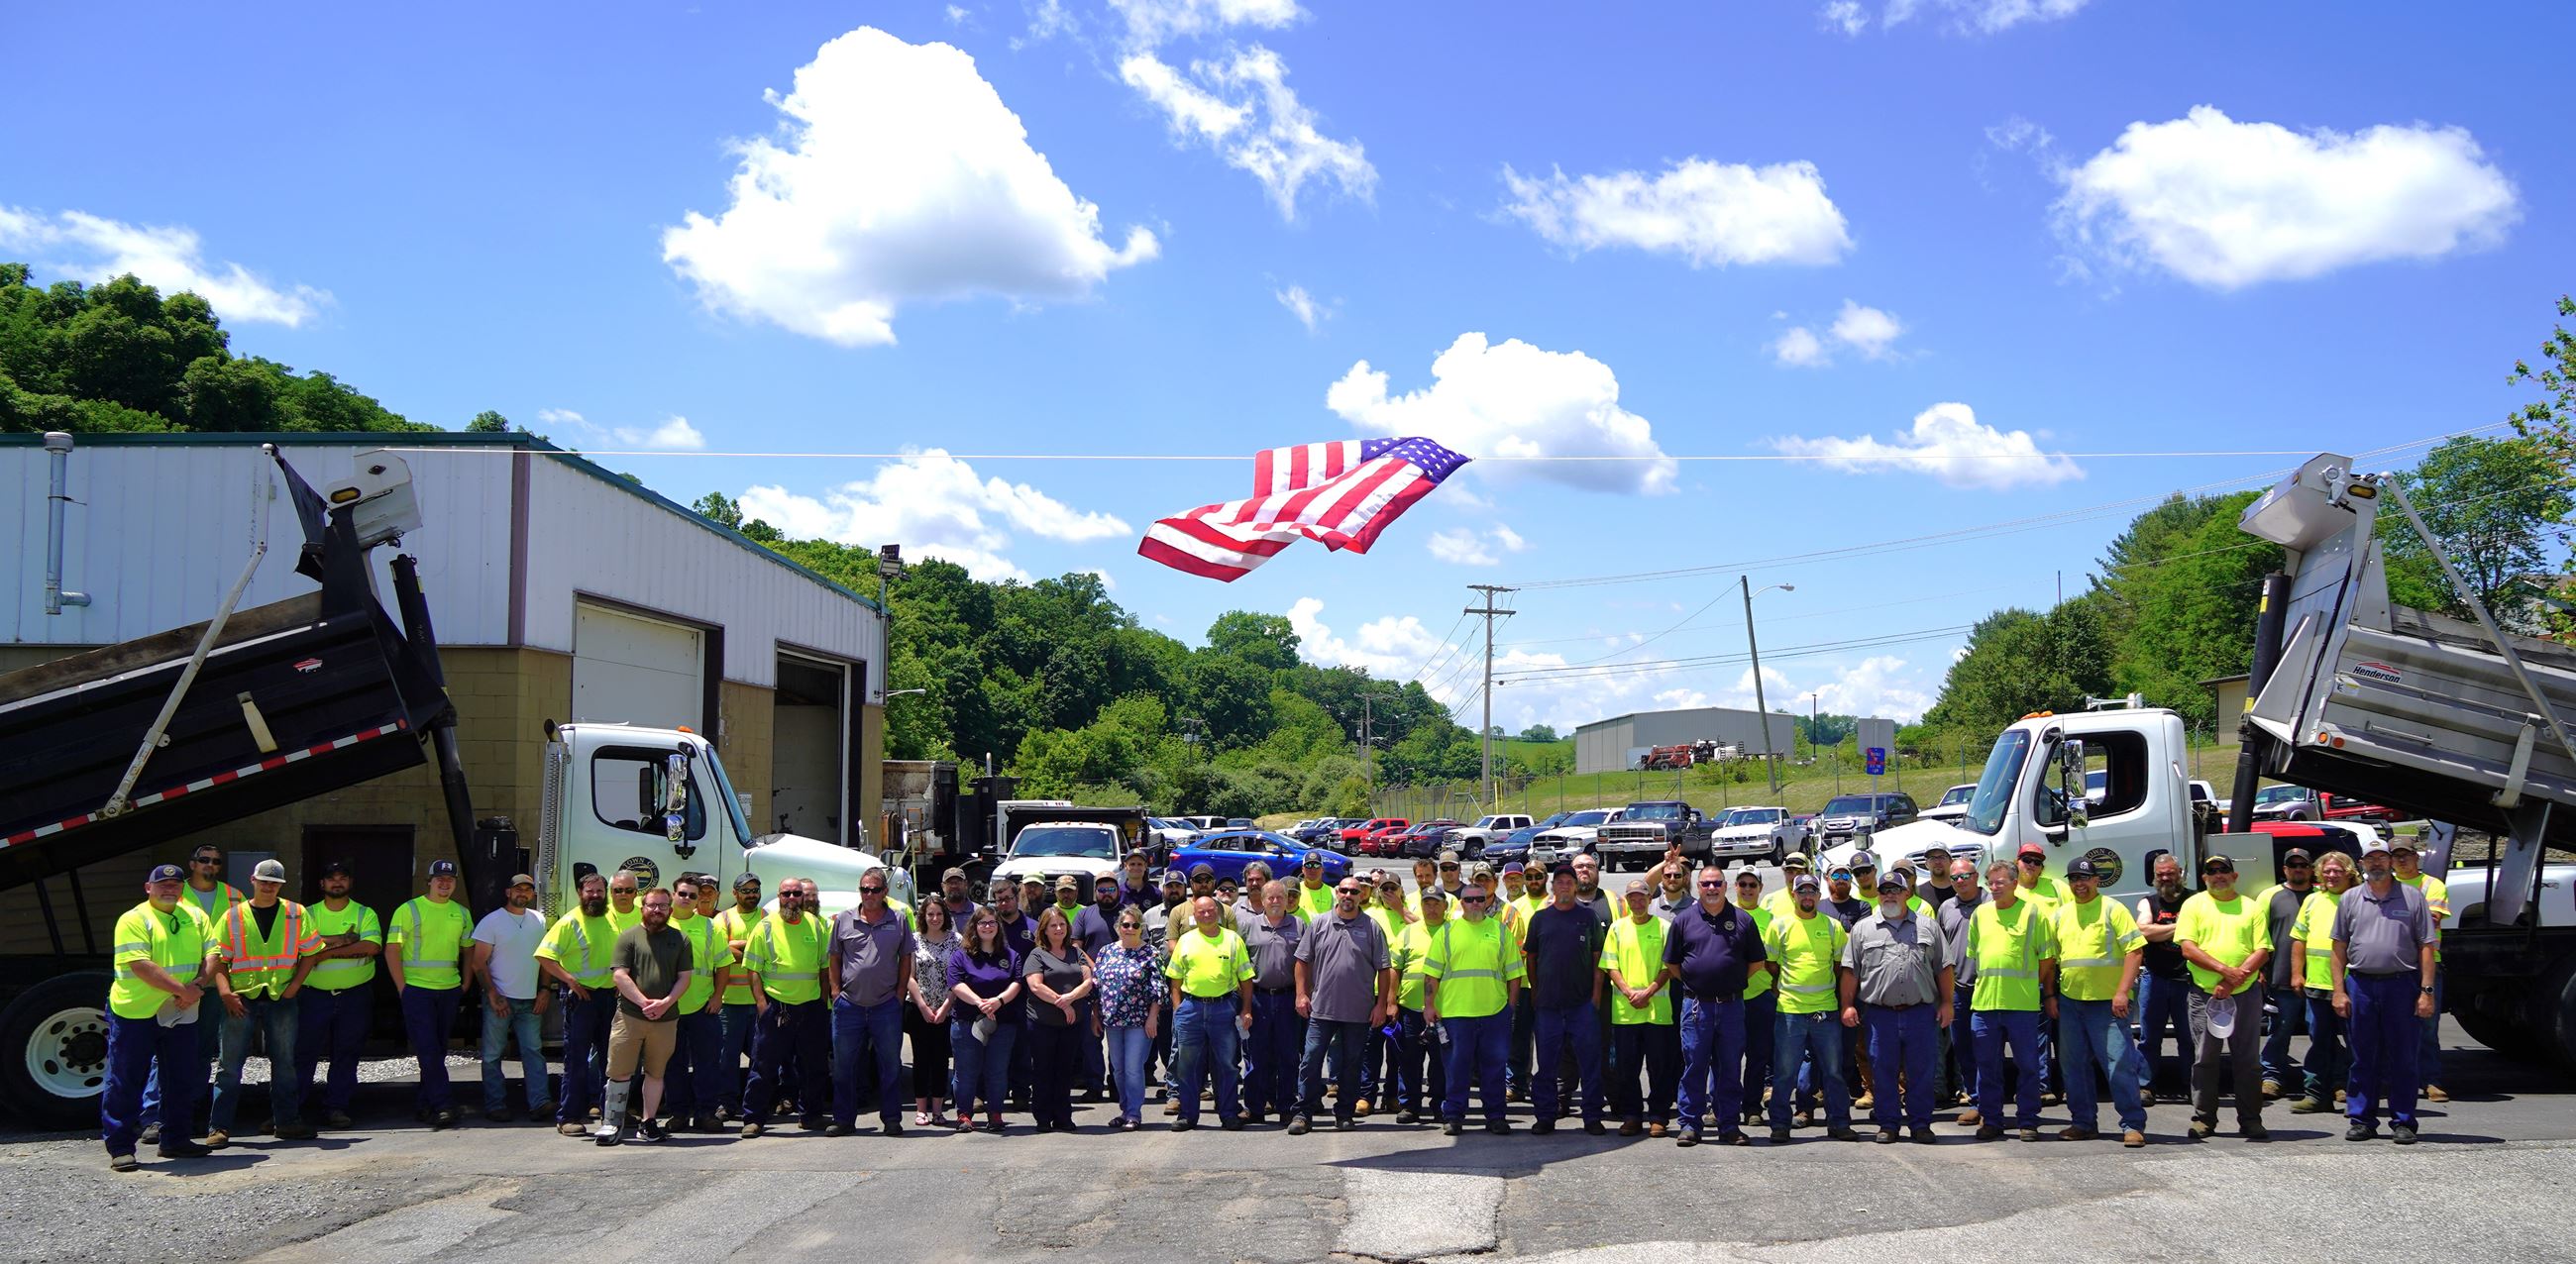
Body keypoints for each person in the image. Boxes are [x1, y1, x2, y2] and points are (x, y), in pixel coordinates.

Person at [102, 864, 219, 1171]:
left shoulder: (195, 915)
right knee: (126, 1080)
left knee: (180, 1078)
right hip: (135, 1012)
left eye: (175, 884)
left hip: (181, 1011)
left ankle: (176, 1140)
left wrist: (197, 986)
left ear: (182, 888)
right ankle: (120, 1147)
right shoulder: (134, 918)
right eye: (162, 883)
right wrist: (185, 990)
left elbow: (213, 954)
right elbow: (140, 965)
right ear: (148, 887)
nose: (169, 888)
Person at [2331, 837, 2439, 1144]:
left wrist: (2426, 991)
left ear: (2391, 862)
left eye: (2382, 857)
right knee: (2363, 1056)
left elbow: (2427, 947)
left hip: (2401, 986)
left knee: (2403, 1056)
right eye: (2371, 858)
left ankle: (2403, 1120)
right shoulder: (2350, 898)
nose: (2376, 863)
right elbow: (2338, 947)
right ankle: (2362, 1119)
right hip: (2361, 984)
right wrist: (2339, 991)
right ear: (2362, 864)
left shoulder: (2413, 897)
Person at [203, 858, 313, 1146]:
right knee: (229, 1066)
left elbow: (312, 952)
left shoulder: (295, 913)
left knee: (285, 1063)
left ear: (280, 885)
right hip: (241, 999)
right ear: (252, 880)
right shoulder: (233, 916)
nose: (268, 886)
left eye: (274, 883)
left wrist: (295, 986)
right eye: (264, 881)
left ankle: (287, 1122)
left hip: (281, 998)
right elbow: (219, 959)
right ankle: (219, 1128)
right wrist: (225, 993)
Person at [138, 844, 239, 1146]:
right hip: (174, 987)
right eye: (204, 860)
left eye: (216, 861)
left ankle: (185, 1111)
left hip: (211, 985)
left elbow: (230, 942)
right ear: (192, 864)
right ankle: (154, 1117)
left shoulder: (235, 896)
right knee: (163, 1053)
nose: (210, 865)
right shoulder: (173, 893)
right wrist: (183, 989)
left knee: (201, 1052)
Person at [1841, 870, 1951, 1144]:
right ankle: (1888, 1124)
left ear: (1907, 894)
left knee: (1921, 1071)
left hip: (1920, 1012)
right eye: (1884, 890)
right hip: (1880, 1015)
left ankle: (1921, 1123)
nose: (1889, 894)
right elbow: (1850, 971)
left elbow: (1944, 968)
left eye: (1895, 890)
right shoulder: (1863, 929)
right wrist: (1847, 1005)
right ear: (1877, 895)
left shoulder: (1928, 927)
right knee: (1883, 1071)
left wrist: (1948, 1003)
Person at [2049, 858, 2148, 1147]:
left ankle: (2132, 1124)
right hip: (2070, 1002)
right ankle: (2083, 1123)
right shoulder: (2060, 915)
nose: (2079, 884)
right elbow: (2053, 961)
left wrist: (2122, 992)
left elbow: (2135, 951)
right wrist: (2051, 996)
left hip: (2107, 1004)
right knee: (2073, 1066)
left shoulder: (2112, 909)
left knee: (2119, 1066)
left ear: (2096, 880)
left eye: (2085, 878)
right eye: (2074, 878)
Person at [1666, 862, 1767, 1147]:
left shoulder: (1743, 920)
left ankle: (1729, 1125)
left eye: (1717, 883)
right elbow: (1672, 964)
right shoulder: (1683, 920)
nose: (1711, 888)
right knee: (1694, 1065)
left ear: (1725, 886)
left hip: (1732, 1007)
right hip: (1697, 1006)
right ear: (1697, 887)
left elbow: (1756, 962)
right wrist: (1698, 984)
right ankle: (1689, 1124)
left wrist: (1730, 984)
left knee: (1730, 1067)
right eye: (1706, 884)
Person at [2176, 855, 2271, 1141]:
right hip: (2204, 995)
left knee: (2248, 1061)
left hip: (2246, 994)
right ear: (2204, 878)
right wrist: (2225, 972)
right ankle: (2204, 1119)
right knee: (2205, 1060)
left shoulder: (2251, 907)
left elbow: (2263, 950)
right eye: (2211, 871)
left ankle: (2251, 1120)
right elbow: (2188, 949)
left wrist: (2232, 980)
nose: (2218, 875)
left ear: (2235, 875)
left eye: (2224, 871)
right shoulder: (2193, 904)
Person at [1291, 874, 1394, 1133]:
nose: (1348, 896)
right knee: (1311, 1060)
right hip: (1322, 1008)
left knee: (1352, 1063)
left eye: (1354, 892)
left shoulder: (1371, 928)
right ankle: (1303, 1113)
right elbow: (1302, 961)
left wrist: (1381, 1004)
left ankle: (1345, 1113)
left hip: (1358, 1012)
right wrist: (1301, 994)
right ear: (1337, 893)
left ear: (1362, 896)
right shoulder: (1320, 924)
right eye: (1344, 891)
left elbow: (1384, 969)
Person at [1965, 861, 2055, 1142]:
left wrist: (2028, 985)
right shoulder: (1980, 914)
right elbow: (1975, 956)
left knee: (2028, 1066)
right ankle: (1991, 1120)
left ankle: (2028, 1121)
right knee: (1987, 1067)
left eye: (2000, 882)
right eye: (1990, 882)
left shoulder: (2032, 914)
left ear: (2015, 883)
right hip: (1985, 1005)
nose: (1994, 887)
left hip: (2022, 1006)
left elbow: (2047, 959)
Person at [1426, 881, 1524, 1136]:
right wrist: (1429, 1006)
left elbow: (1514, 975)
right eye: (1469, 900)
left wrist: (1509, 1009)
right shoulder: (1447, 932)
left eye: (1480, 899)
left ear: (1486, 902)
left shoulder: (1501, 932)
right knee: (1457, 1069)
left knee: (1494, 1068)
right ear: (1461, 903)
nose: (1475, 904)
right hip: (1456, 1014)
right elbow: (1431, 975)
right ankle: (1454, 1116)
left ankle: (1496, 1116)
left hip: (1493, 1014)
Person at [597, 888, 694, 1144]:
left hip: (666, 1018)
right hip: (630, 1015)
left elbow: (685, 977)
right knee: (619, 1071)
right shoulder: (628, 937)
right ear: (643, 908)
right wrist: (643, 1003)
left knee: (656, 1072)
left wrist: (666, 1002)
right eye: (652, 905)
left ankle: (648, 1123)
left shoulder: (681, 940)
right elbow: (619, 974)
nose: (657, 910)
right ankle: (611, 1124)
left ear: (670, 910)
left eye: (663, 906)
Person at [291, 861, 381, 1130]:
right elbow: (298, 947)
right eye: (331, 878)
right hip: (313, 996)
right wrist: (343, 939)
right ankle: (290, 1110)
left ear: (350, 882)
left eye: (343, 878)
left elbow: (371, 946)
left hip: (354, 996)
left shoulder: (365, 913)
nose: (337, 882)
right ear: (322, 884)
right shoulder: (307, 914)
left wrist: (324, 951)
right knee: (303, 1053)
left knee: (346, 1052)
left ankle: (336, 1107)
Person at [1766, 873, 1855, 1143]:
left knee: (1834, 1072)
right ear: (1793, 894)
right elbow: (1771, 963)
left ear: (1819, 895)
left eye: (1812, 891)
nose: (1807, 896)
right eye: (1801, 891)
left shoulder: (1832, 926)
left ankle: (1839, 1123)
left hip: (1825, 1010)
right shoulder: (1779, 926)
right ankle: (1780, 1124)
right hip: (1790, 1011)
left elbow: (1840, 966)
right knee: (1784, 1072)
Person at [740, 878, 832, 1137]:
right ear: (779, 896)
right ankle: (753, 1118)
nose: (791, 898)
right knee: (764, 1065)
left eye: (796, 893)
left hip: (810, 1007)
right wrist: (761, 1006)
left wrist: (822, 1002)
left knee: (814, 1066)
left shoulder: (815, 924)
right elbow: (753, 969)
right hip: (776, 1007)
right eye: (786, 893)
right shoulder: (765, 927)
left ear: (803, 897)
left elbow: (824, 968)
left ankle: (811, 1116)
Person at [1521, 864, 1608, 1135]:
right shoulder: (1540, 919)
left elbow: (1598, 959)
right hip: (1548, 1006)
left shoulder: (1589, 918)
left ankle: (1592, 1117)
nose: (1565, 886)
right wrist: (1535, 990)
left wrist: (1595, 996)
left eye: (1569, 881)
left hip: (1582, 1005)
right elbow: (1531, 958)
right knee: (1547, 1066)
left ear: (1574, 886)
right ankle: (1545, 1116)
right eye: (1560, 882)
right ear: (1553, 886)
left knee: (1590, 1064)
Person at [826, 869, 915, 1136]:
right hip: (849, 1005)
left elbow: (906, 959)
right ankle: (843, 1119)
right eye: (864, 889)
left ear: (885, 892)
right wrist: (834, 992)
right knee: (844, 1066)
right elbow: (834, 959)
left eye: (874, 890)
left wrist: (900, 994)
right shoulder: (843, 920)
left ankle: (891, 1118)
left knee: (889, 1065)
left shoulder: (898, 920)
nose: (869, 894)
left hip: (886, 1005)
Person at [387, 859, 473, 1129]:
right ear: (430, 882)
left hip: (448, 989)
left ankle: (425, 1103)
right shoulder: (408, 909)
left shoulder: (460, 912)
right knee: (427, 1050)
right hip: (418, 990)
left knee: (438, 1050)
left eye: (449, 880)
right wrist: (402, 987)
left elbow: (468, 948)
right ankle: (444, 1105)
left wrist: (466, 981)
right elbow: (392, 949)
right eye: (440, 879)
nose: (444, 883)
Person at [537, 871, 618, 1137]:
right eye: (589, 891)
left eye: (599, 891)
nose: (595, 895)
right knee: (577, 1061)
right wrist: (569, 980)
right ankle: (569, 1116)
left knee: (611, 1060)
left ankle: (610, 1116)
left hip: (608, 998)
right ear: (580, 894)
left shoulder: (610, 917)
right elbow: (544, 956)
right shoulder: (569, 921)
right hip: (580, 999)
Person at [469, 874, 552, 1124]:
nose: (523, 893)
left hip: (530, 1000)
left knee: (533, 1052)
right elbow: (478, 963)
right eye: (518, 889)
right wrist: (493, 994)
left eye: (528, 889)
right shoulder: (491, 922)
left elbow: (546, 957)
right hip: (500, 1000)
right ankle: (495, 1105)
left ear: (533, 894)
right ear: (507, 892)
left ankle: (540, 1103)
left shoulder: (539, 920)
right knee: (493, 1054)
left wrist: (545, 990)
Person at [1166, 895, 1254, 1131]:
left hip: (1223, 1009)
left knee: (1226, 1065)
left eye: (1210, 911)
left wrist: (1246, 1010)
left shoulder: (1232, 939)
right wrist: (1178, 1010)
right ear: (1194, 915)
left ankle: (1228, 1114)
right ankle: (1187, 1116)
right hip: (1191, 1009)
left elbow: (1246, 979)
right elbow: (1174, 979)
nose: (1206, 915)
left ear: (1217, 912)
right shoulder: (1185, 940)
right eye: (1201, 912)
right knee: (1187, 1066)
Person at [1603, 879, 1678, 1138]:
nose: (1637, 902)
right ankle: (1632, 1116)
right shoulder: (1617, 928)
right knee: (1627, 1068)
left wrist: (1648, 992)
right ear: (1626, 901)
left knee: (1659, 1068)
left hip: (1657, 1011)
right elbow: (1610, 965)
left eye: (1641, 897)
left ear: (1650, 899)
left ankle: (1658, 1116)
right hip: (1626, 1013)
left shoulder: (1664, 927)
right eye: (1632, 898)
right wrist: (1628, 992)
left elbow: (1669, 966)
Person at [2287, 852, 2356, 1115]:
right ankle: (2316, 1095)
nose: (2331, 875)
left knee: (2357, 1044)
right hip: (2317, 985)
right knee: (2319, 1044)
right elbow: (2299, 940)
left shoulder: (2358, 899)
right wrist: (2297, 973)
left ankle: (2356, 1097)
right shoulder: (2313, 900)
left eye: (2337, 870)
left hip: (2352, 986)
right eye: (2326, 871)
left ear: (2349, 872)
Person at [947, 908, 1023, 1132]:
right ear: (974, 927)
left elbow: (1017, 983)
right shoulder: (961, 955)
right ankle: (964, 1114)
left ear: (998, 927)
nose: (988, 927)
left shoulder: (1011, 955)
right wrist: (979, 1002)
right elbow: (956, 983)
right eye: (983, 923)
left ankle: (996, 1113)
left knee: (997, 1070)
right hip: (966, 1020)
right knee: (966, 1070)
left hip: (1003, 1021)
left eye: (992, 923)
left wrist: (998, 1001)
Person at [662, 875, 727, 1131]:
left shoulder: (711, 927)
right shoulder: (660, 923)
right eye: (683, 894)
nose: (687, 899)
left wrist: (717, 996)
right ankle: (677, 1114)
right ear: (673, 895)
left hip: (703, 1007)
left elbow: (723, 965)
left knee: (707, 1064)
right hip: (670, 1009)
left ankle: (705, 1114)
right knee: (672, 1064)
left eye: (692, 895)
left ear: (699, 899)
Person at [1022, 906, 1096, 1132]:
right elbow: (1035, 985)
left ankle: (1063, 1116)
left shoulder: (1076, 952)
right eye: (1053, 925)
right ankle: (1043, 1117)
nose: (1058, 929)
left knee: (1065, 1071)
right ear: (1044, 929)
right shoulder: (1037, 954)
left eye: (1062, 925)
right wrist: (1062, 1004)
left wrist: (1071, 997)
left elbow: (1089, 979)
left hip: (1071, 1024)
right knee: (1043, 1070)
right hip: (1042, 1023)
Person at [2390, 838, 2451, 1103]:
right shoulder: (2385, 883)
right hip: (2393, 964)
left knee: (2427, 1024)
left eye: (2406, 855)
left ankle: (2431, 1080)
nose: (2401, 860)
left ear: (2417, 857)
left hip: (2425, 963)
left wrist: (2391, 914)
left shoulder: (2433, 884)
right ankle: (2395, 1078)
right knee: (2392, 1025)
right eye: (2396, 856)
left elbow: (2432, 918)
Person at [1240, 880, 1307, 1125]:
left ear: (1287, 898)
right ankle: (1255, 1107)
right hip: (1257, 998)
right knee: (1256, 1055)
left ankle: (1287, 1106)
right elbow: (1241, 965)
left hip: (1288, 998)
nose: (1276, 901)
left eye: (1281, 897)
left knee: (1288, 1055)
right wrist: (1244, 1004)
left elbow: (1306, 963)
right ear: (1263, 900)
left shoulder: (1299, 925)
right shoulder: (1249, 926)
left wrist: (1303, 994)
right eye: (1271, 898)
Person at [2254, 848, 2317, 1099]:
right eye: (2293, 865)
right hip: (2279, 977)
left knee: (2320, 1032)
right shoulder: (2270, 896)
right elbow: (2258, 936)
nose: (2298, 869)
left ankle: (2330, 1080)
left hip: (2318, 979)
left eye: (2303, 864)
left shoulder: (2322, 896)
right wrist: (2260, 970)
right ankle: (2271, 1078)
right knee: (2279, 1031)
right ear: (2284, 869)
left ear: (2311, 869)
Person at [2132, 853, 2195, 1102]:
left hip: (2187, 980)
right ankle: (2145, 1086)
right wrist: (2181, 928)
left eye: (2170, 873)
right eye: (2161, 875)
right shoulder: (2148, 902)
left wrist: (2162, 932)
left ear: (2180, 873)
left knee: (2189, 1038)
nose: (2166, 878)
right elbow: (2143, 931)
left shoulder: (2195, 900)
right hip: (2155, 977)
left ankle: (2194, 1085)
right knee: (2149, 1037)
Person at [1094, 906, 1160, 1129]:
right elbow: (1096, 985)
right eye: (1125, 925)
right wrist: (1096, 1015)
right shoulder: (1106, 952)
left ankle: (1134, 1113)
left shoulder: (1151, 953)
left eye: (1135, 925)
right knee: (1118, 1068)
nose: (1130, 929)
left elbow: (1159, 989)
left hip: (1139, 1021)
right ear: (1118, 928)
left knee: (1133, 1067)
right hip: (1112, 1020)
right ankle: (1124, 1109)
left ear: (1141, 928)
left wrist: (1152, 1018)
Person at [1390, 886, 1450, 1124]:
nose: (1432, 908)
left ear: (1445, 906)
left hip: (1443, 1011)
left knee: (1440, 1062)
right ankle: (1410, 1106)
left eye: (1436, 903)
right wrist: (1391, 1002)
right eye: (1427, 903)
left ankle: (1440, 1104)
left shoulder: (1453, 931)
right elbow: (1395, 968)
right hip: (1410, 1009)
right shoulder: (1407, 932)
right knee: (1409, 1060)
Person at [711, 873, 768, 1122]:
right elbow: (721, 952)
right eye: (746, 891)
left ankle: (755, 1105)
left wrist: (739, 945)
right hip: (729, 1002)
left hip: (759, 1002)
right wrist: (752, 948)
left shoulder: (768, 918)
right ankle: (726, 1103)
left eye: (755, 890)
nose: (751, 895)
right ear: (734, 893)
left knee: (760, 1058)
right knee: (727, 1059)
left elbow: (770, 950)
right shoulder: (722, 919)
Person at [1731, 869, 1777, 1129]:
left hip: (1760, 996)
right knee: (1726, 1058)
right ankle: (1722, 1107)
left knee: (1758, 1057)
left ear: (1760, 887)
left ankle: (1752, 1107)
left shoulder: (1771, 920)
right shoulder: (1725, 914)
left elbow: (1775, 960)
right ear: (1734, 886)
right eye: (1742, 884)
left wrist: (1774, 987)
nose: (1747, 889)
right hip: (1729, 998)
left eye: (1752, 884)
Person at [908, 898, 960, 1128]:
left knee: (940, 1060)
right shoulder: (914, 940)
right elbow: (909, 976)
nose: (935, 918)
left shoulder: (956, 941)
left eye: (939, 914)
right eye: (930, 914)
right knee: (921, 1060)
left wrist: (945, 1007)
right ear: (923, 916)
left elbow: (958, 978)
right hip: (919, 1009)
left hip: (946, 1009)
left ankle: (938, 1110)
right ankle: (921, 1110)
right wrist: (923, 1006)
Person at [1937, 860, 1984, 1118]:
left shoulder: (1990, 902)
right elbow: (1940, 951)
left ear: (1976, 876)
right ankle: (1975, 1101)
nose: (1960, 881)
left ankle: (1991, 1104)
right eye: (1955, 878)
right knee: (1963, 1048)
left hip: (1988, 989)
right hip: (1957, 989)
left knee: (1988, 1050)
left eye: (1966, 875)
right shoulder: (1946, 908)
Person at [1294, 853, 1338, 920]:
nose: (1312, 870)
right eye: (1308, 865)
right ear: (1302, 869)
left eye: (1316, 865)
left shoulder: (1333, 893)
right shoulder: (1295, 890)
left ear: (1322, 869)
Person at [604, 870, 643, 935]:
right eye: (618, 890)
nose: (623, 894)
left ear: (636, 893)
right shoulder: (601, 914)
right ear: (611, 892)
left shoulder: (646, 917)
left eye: (629, 890)